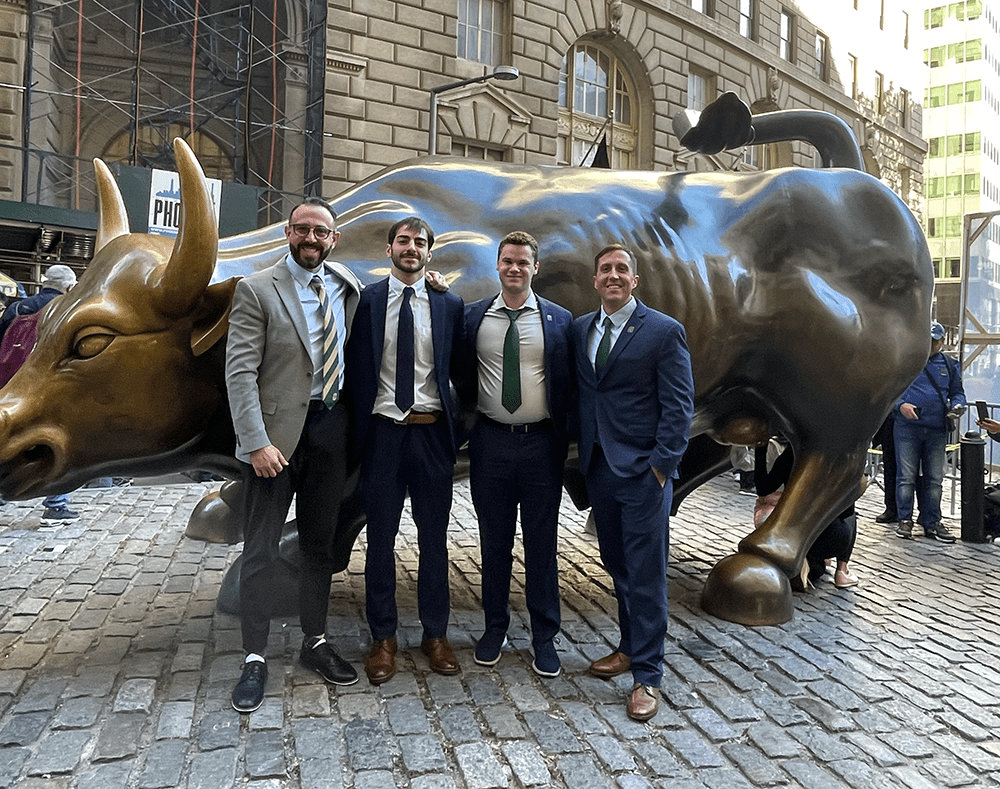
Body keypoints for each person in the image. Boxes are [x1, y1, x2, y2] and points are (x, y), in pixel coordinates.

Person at [225, 198, 361, 713]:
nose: (311, 239)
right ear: (288, 233)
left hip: (330, 432)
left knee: (318, 546)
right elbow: (239, 373)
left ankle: (315, 640)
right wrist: (256, 442)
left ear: (334, 239)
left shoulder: (344, 286)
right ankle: (255, 656)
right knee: (260, 549)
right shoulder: (257, 288)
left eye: (320, 232)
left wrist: (433, 282)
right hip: (273, 441)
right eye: (302, 229)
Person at [571, 244, 694, 722]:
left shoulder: (664, 332)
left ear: (635, 280)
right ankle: (627, 646)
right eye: (606, 270)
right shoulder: (582, 328)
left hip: (645, 472)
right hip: (600, 468)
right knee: (615, 560)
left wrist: (662, 466)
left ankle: (648, 675)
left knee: (645, 573)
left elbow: (680, 405)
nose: (614, 276)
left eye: (622, 269)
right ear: (596, 280)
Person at [346, 216, 465, 685]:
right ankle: (383, 637)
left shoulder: (449, 304)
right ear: (389, 248)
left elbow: (463, 370)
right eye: (403, 241)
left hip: (432, 434)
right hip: (383, 435)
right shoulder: (367, 301)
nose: (411, 248)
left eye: (419, 242)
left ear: (430, 253)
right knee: (380, 539)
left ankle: (436, 635)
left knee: (434, 540)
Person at [463, 231, 573, 677]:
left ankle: (544, 637)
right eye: (507, 261)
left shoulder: (560, 320)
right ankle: (494, 628)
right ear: (498, 265)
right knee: (493, 543)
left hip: (541, 444)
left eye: (522, 262)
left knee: (542, 545)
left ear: (535, 268)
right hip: (490, 442)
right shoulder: (473, 318)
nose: (514, 268)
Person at [0, 265, 79, 520]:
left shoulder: (17, 308)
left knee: (9, 437)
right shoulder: (70, 309)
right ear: (68, 286)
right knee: (61, 438)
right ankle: (56, 505)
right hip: (51, 387)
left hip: (12, 385)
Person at [893, 321, 965, 543]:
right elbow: (889, 392)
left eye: (935, 341)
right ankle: (905, 519)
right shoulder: (905, 361)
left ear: (941, 341)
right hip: (907, 428)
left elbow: (958, 392)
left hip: (936, 429)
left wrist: (958, 406)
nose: (931, 344)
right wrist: (901, 405)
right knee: (906, 477)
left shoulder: (949, 365)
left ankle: (932, 521)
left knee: (934, 478)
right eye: (928, 340)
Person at [753, 443, 858, 589]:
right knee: (851, 515)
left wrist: (760, 451)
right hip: (832, 536)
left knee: (816, 564)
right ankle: (842, 570)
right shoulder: (840, 457)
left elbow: (763, 488)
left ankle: (804, 561)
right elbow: (847, 511)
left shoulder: (793, 454)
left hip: (796, 534)